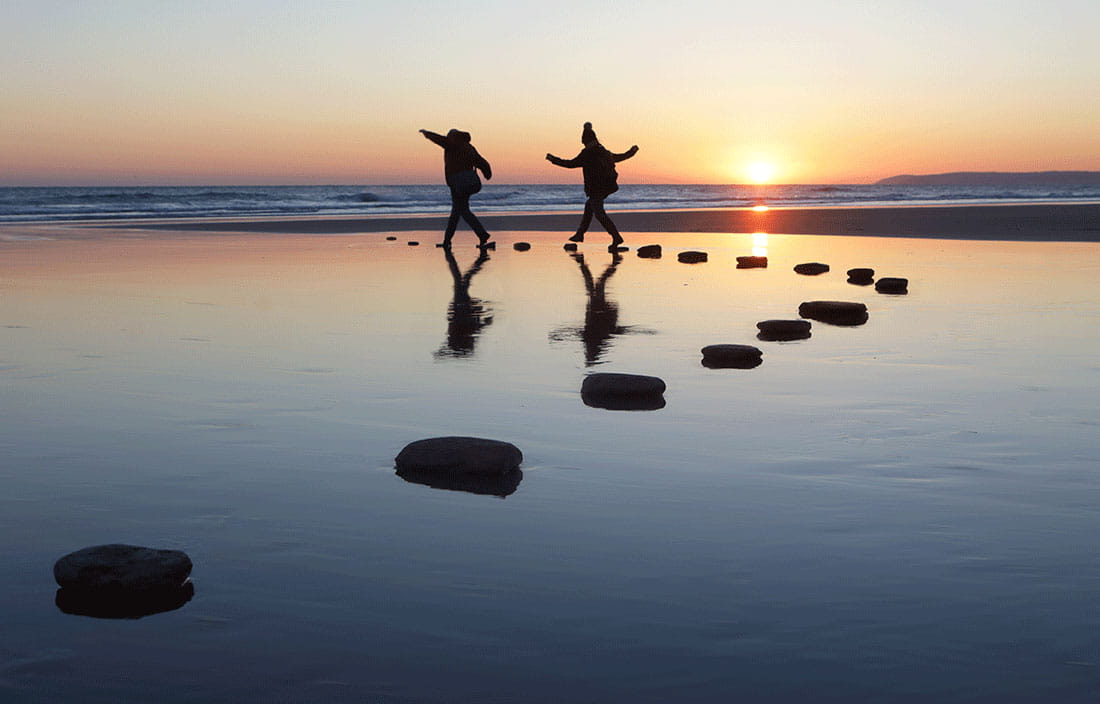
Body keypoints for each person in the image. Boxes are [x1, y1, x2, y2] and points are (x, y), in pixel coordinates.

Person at [546, 122, 638, 251]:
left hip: (597, 188)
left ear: (585, 141)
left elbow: (570, 164)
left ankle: (616, 237)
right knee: (589, 206)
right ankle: (580, 234)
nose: (583, 143)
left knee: (599, 213)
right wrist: (632, 151)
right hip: (608, 186)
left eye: (583, 141)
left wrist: (553, 159)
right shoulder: (603, 150)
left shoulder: (587, 153)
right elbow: (619, 157)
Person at [419, 128, 493, 248]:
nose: (448, 137)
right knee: (457, 211)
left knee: (461, 211)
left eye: (449, 136)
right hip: (468, 183)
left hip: (458, 184)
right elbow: (482, 162)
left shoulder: (453, 143)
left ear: (453, 136)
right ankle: (447, 241)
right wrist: (487, 174)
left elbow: (440, 139)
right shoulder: (469, 147)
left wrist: (427, 134)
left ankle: (482, 234)